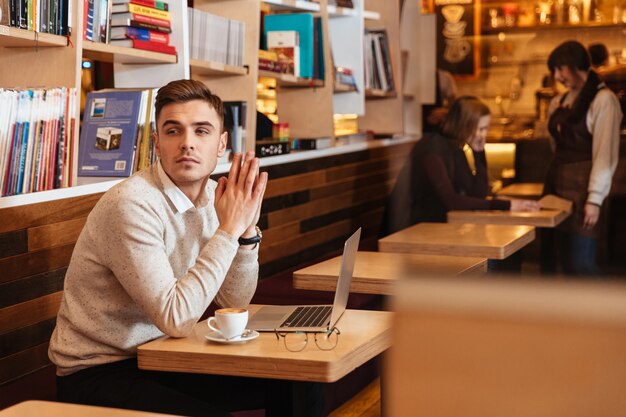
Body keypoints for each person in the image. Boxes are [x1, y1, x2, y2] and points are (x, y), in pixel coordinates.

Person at [48, 79, 322, 417]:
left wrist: (246, 233)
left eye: (202, 131)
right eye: (173, 131)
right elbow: (176, 318)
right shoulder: (132, 204)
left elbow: (233, 301)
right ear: (158, 142)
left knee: (301, 377)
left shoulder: (214, 197)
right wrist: (229, 230)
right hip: (99, 370)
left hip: (163, 354)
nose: (187, 143)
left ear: (222, 143)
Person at [380, 96, 540, 237]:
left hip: (434, 230)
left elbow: (478, 194)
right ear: (465, 125)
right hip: (405, 232)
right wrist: (508, 205)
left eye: (486, 129)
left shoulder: (459, 147)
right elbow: (452, 201)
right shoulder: (431, 148)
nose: (484, 134)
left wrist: (479, 152)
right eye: (481, 129)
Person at [541, 40, 622, 275]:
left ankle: (603, 310)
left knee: (580, 263)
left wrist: (594, 199)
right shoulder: (560, 101)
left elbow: (604, 155)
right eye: (554, 70)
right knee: (556, 258)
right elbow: (554, 144)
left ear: (577, 66)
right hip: (555, 186)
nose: (557, 76)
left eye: (560, 68)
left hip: (583, 191)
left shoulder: (603, 100)